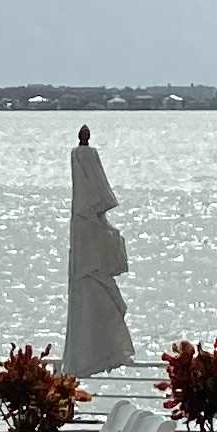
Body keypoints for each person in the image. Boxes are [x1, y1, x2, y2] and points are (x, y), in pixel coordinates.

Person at [65, 125, 134, 374]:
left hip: (90, 260)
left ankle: (93, 356)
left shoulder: (89, 225)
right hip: (89, 261)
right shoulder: (86, 225)